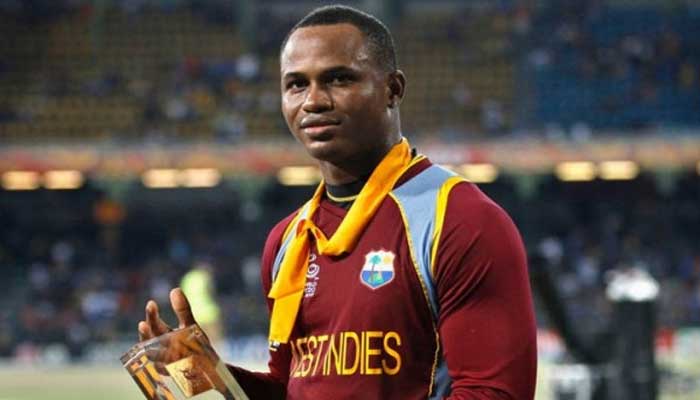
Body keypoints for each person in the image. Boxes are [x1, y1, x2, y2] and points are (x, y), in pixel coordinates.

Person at [138, 5, 537, 399]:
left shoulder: (461, 220)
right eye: (296, 84)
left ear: (393, 89)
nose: (313, 101)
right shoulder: (286, 242)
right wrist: (208, 373)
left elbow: (495, 394)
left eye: (339, 79)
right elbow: (292, 388)